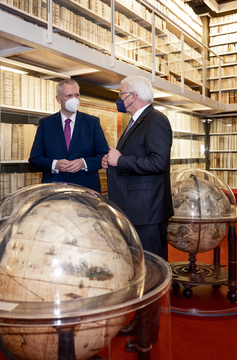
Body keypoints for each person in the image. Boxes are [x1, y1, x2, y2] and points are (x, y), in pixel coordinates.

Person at [102, 75, 174, 352]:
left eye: (122, 94)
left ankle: (148, 335)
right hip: (133, 211)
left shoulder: (156, 120)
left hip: (148, 213)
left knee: (152, 275)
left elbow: (158, 162)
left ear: (134, 95)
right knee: (138, 274)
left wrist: (121, 160)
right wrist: (112, 161)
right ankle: (138, 321)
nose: (120, 99)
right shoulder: (136, 121)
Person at [29, 79, 109, 192]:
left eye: (76, 95)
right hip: (54, 190)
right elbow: (34, 159)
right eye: (69, 96)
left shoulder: (92, 122)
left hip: (86, 190)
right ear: (58, 99)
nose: (74, 99)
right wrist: (55, 164)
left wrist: (83, 163)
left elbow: (104, 155)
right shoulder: (46, 124)